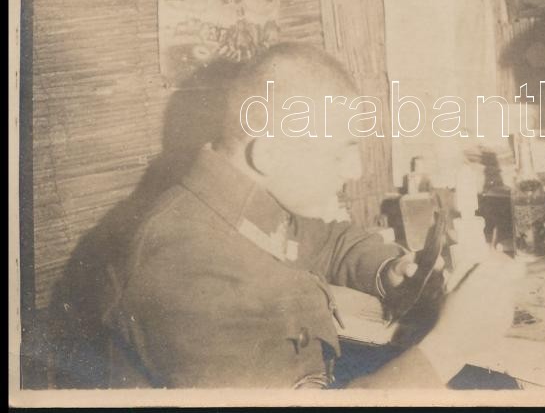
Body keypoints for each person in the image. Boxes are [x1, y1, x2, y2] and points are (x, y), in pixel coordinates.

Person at [102, 42, 521, 389]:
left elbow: (321, 239)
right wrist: (449, 346)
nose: (356, 170)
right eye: (340, 152)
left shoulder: (238, 202)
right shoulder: (193, 271)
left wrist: (389, 269)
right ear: (268, 154)